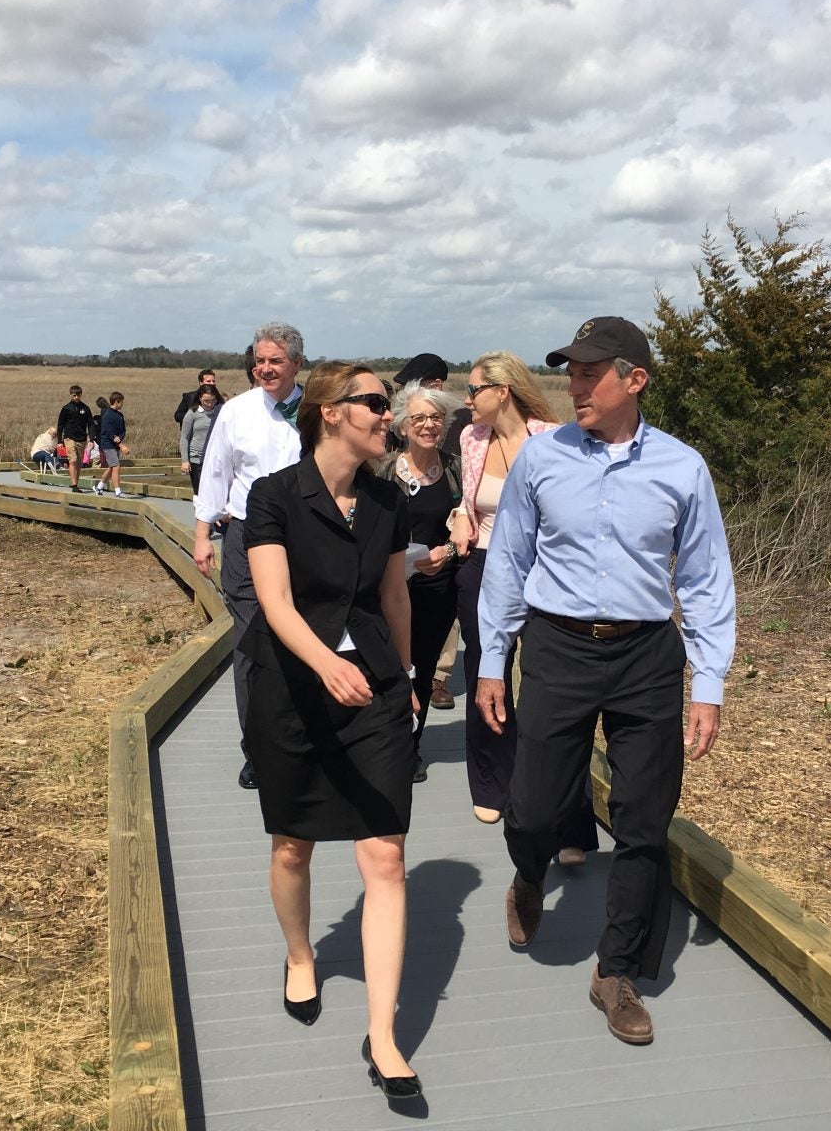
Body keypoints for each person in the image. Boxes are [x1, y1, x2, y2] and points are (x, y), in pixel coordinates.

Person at [475, 316, 736, 1046]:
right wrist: (494, 660)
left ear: (635, 380)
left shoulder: (682, 469)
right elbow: (509, 564)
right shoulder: (542, 459)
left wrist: (708, 682)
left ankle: (616, 971)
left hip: (646, 654)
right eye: (571, 371)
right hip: (556, 645)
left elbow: (707, 579)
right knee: (531, 806)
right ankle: (529, 876)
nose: (575, 385)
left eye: (591, 373)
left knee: (645, 818)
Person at [240, 360, 422, 1102]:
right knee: (293, 845)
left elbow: (392, 595)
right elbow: (274, 603)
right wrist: (324, 665)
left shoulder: (388, 500)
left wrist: (405, 681)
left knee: (385, 858)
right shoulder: (274, 497)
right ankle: (299, 953)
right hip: (292, 693)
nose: (392, 415)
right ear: (331, 412)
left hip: (372, 691)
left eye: (391, 404)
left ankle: (383, 1036)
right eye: (377, 403)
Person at [448, 352, 597, 862]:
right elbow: (468, 501)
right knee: (485, 673)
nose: (466, 401)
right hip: (483, 568)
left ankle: (573, 820)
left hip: (544, 575)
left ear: (502, 390)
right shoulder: (470, 440)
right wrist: (460, 518)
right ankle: (492, 786)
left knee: (552, 689)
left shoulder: (552, 438)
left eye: (473, 390)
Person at [193, 323, 306, 790]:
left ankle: (302, 743)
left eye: (275, 361)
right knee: (250, 645)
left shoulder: (318, 411)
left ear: (297, 363)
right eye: (259, 360)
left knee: (306, 640)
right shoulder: (236, 411)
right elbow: (215, 473)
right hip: (245, 535)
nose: (264, 368)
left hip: (305, 539)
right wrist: (203, 535)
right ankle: (257, 749)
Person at [377, 381, 462, 784]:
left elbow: (472, 524)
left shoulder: (456, 469)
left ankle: (410, 749)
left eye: (435, 418)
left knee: (423, 667)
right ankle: (382, 744)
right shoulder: (381, 470)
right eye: (419, 418)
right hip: (385, 587)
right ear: (403, 426)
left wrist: (447, 553)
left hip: (436, 588)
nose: (428, 425)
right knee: (386, 665)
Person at [179, 384, 224, 492]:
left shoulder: (221, 412)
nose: (209, 404)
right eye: (206, 401)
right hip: (196, 459)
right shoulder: (192, 414)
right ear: (200, 398)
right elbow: (184, 437)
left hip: (215, 458)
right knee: (199, 492)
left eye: (213, 401)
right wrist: (185, 461)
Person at [94, 392, 132, 497]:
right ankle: (118, 491)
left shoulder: (120, 415)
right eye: (121, 402)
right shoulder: (107, 415)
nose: (122, 405)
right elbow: (110, 433)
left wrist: (120, 437)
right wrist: (121, 445)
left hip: (116, 444)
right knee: (116, 466)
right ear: (116, 402)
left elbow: (123, 430)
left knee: (112, 467)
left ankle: (99, 486)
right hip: (108, 444)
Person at [56, 385, 93, 491]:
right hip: (69, 437)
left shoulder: (85, 408)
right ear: (70, 395)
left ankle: (76, 483)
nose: (76, 397)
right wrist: (59, 441)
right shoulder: (66, 408)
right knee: (73, 460)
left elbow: (90, 424)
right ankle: (73, 485)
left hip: (82, 439)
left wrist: (92, 439)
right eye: (74, 395)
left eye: (78, 395)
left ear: (81, 395)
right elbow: (60, 425)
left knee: (79, 463)